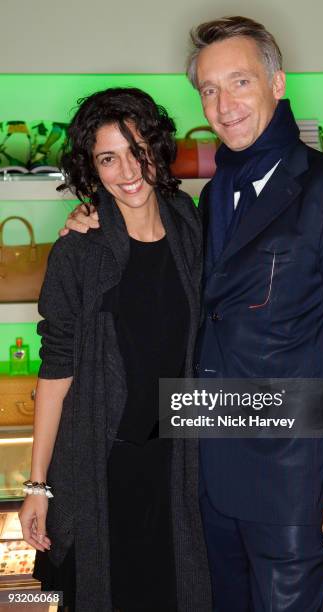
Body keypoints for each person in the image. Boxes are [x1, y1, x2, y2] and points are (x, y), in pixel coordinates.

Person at [62, 16, 323, 612]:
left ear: (277, 82)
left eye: (238, 82)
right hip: (203, 481)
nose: (223, 104)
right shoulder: (211, 197)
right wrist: (92, 224)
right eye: (209, 90)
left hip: (293, 489)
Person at [18, 87, 212, 612]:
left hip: (179, 466)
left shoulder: (190, 224)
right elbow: (55, 374)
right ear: (92, 167)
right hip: (103, 467)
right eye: (108, 157)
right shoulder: (79, 249)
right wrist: (38, 485)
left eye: (137, 150)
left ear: (157, 149)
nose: (128, 171)